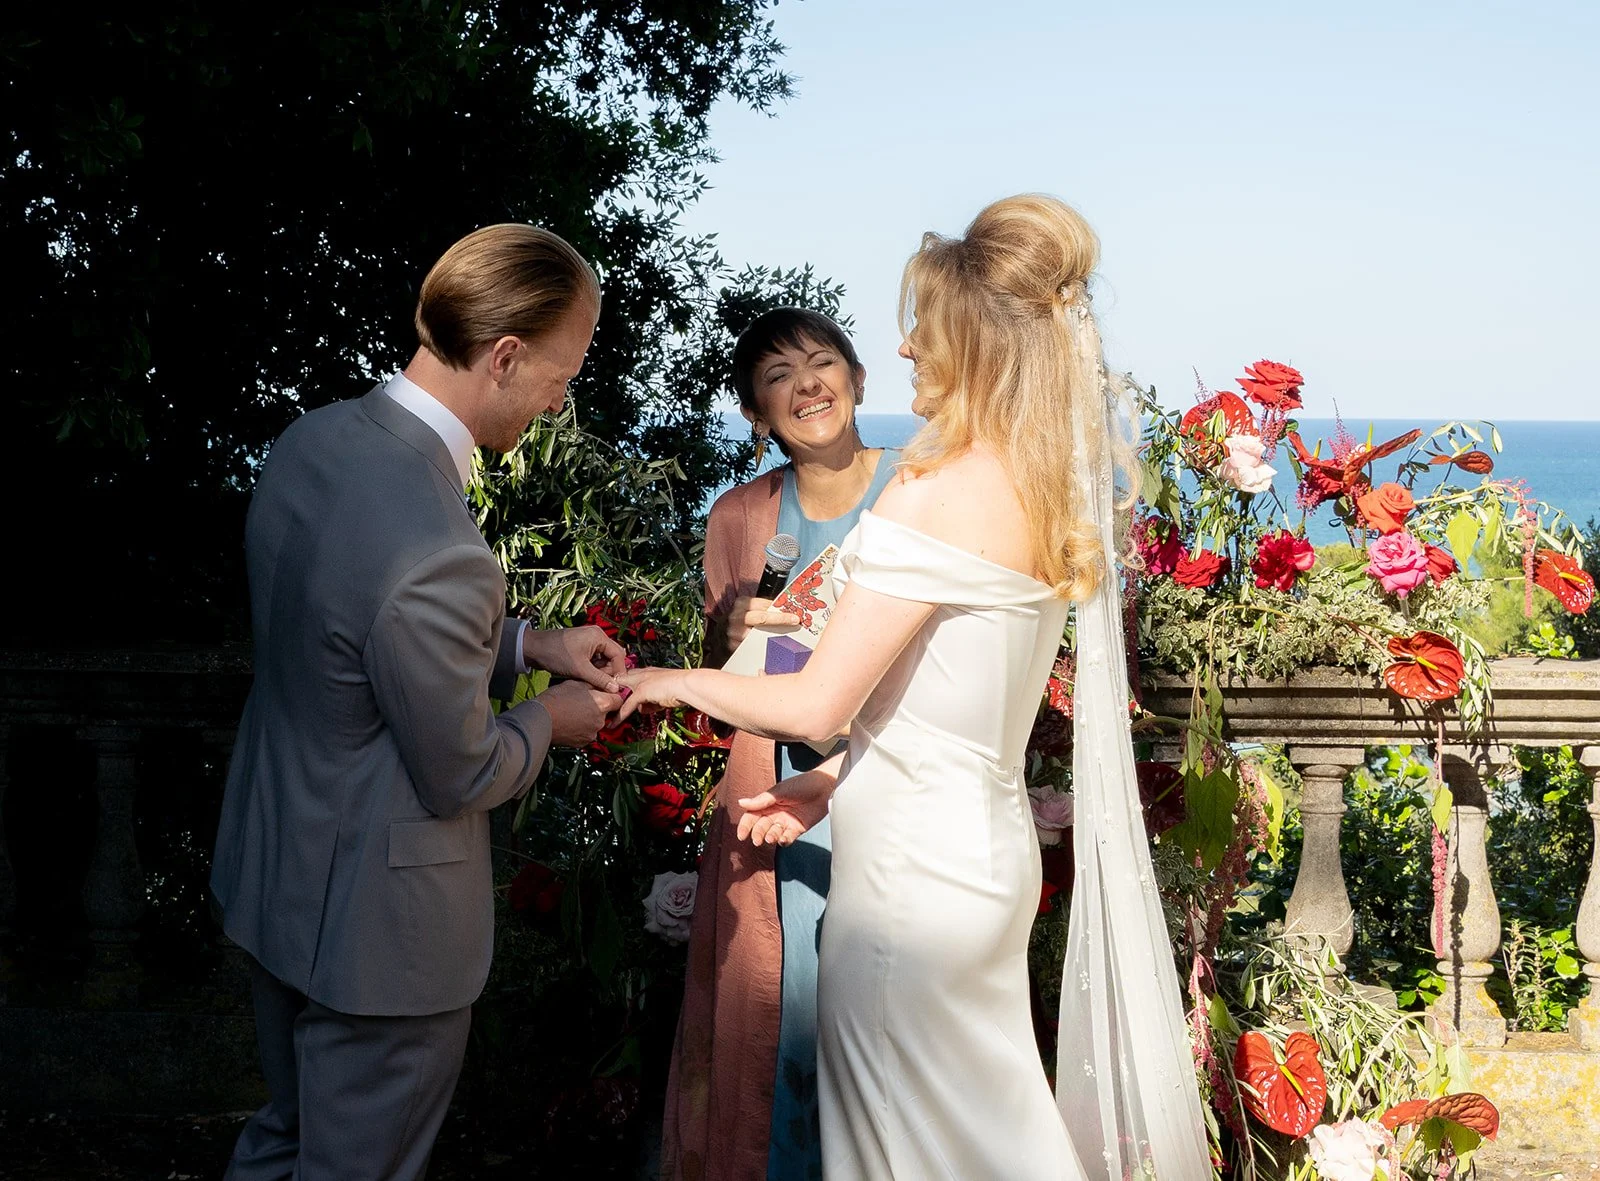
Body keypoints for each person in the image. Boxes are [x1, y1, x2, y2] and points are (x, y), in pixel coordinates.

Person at [623, 196, 1211, 1179]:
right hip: (980, 859)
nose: (899, 348)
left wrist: (668, 677)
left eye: (924, 327)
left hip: (908, 887)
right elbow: (951, 696)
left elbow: (816, 703)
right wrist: (827, 782)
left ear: (974, 341)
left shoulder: (932, 486)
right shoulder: (1038, 482)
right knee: (986, 1136)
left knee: (909, 1151)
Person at [210, 224, 627, 1181]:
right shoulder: (440, 542)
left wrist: (528, 641)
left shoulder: (317, 439)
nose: (564, 399)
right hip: (378, 937)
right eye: (564, 373)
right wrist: (550, 718)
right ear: (507, 355)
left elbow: (351, 628)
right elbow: (463, 769)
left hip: (276, 868)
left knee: (283, 1137)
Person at [662, 308, 898, 1181]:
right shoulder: (740, 515)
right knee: (786, 1011)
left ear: (859, 378)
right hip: (779, 796)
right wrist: (726, 632)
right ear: (756, 413)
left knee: (882, 1009)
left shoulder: (914, 491)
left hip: (889, 778)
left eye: (822, 361)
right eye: (777, 375)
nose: (806, 384)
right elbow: (726, 670)